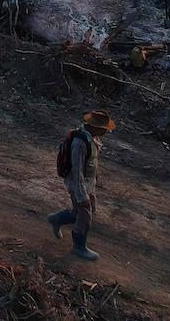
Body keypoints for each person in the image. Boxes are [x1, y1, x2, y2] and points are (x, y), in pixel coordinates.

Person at [47, 110, 115, 261]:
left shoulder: (91, 138)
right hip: (79, 184)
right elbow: (77, 171)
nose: (106, 132)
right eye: (104, 129)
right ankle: (79, 247)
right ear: (94, 127)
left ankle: (57, 219)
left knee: (83, 212)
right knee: (84, 215)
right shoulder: (80, 143)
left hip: (88, 184)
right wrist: (81, 195)